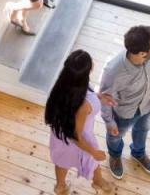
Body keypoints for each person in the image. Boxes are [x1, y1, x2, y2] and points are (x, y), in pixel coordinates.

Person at [46, 50, 118, 194]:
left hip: (60, 136)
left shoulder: (62, 85)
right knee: (93, 161)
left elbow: (81, 94)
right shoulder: (84, 105)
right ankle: (98, 182)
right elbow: (76, 136)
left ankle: (60, 187)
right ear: (90, 69)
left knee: (61, 162)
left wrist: (99, 97)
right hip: (81, 139)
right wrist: (94, 152)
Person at [99, 25, 150, 179]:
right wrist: (109, 122)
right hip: (125, 113)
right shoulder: (114, 71)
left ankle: (138, 153)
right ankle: (114, 156)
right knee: (115, 136)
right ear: (142, 53)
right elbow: (104, 97)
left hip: (147, 106)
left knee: (143, 130)